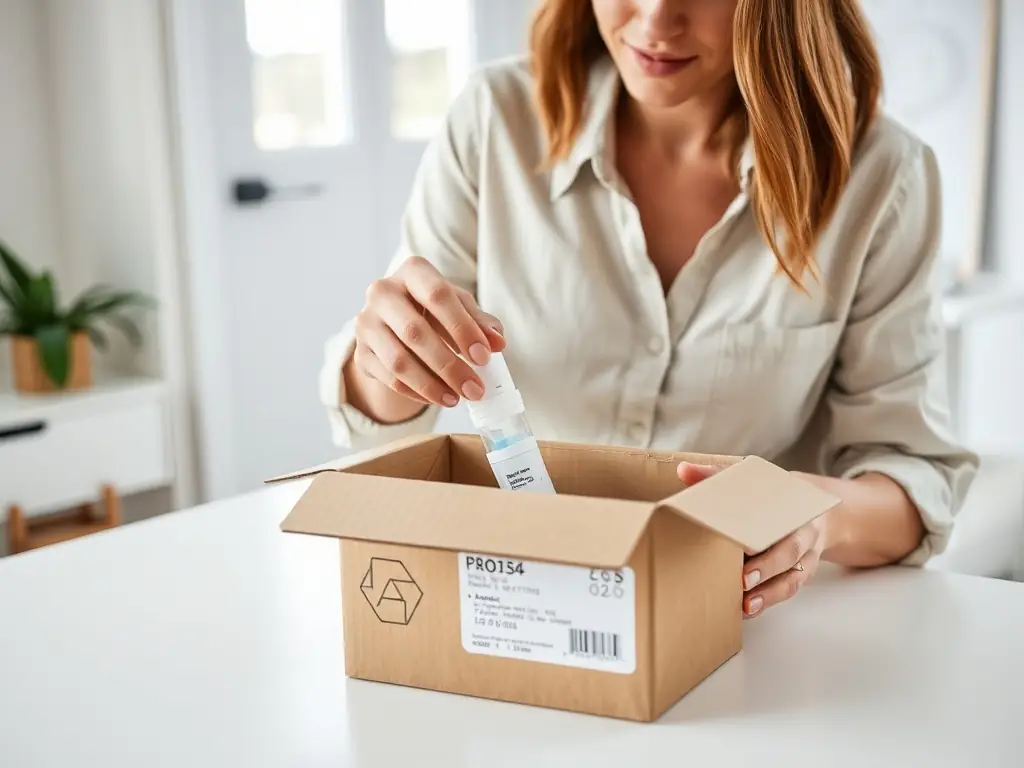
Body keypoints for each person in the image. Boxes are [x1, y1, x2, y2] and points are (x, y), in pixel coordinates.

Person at [319, 0, 978, 618]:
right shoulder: (495, 119)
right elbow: (384, 418)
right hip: (525, 607)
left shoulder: (881, 176)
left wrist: (814, 514)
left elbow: (914, 478)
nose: (657, 19)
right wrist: (386, 362)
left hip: (735, 633)